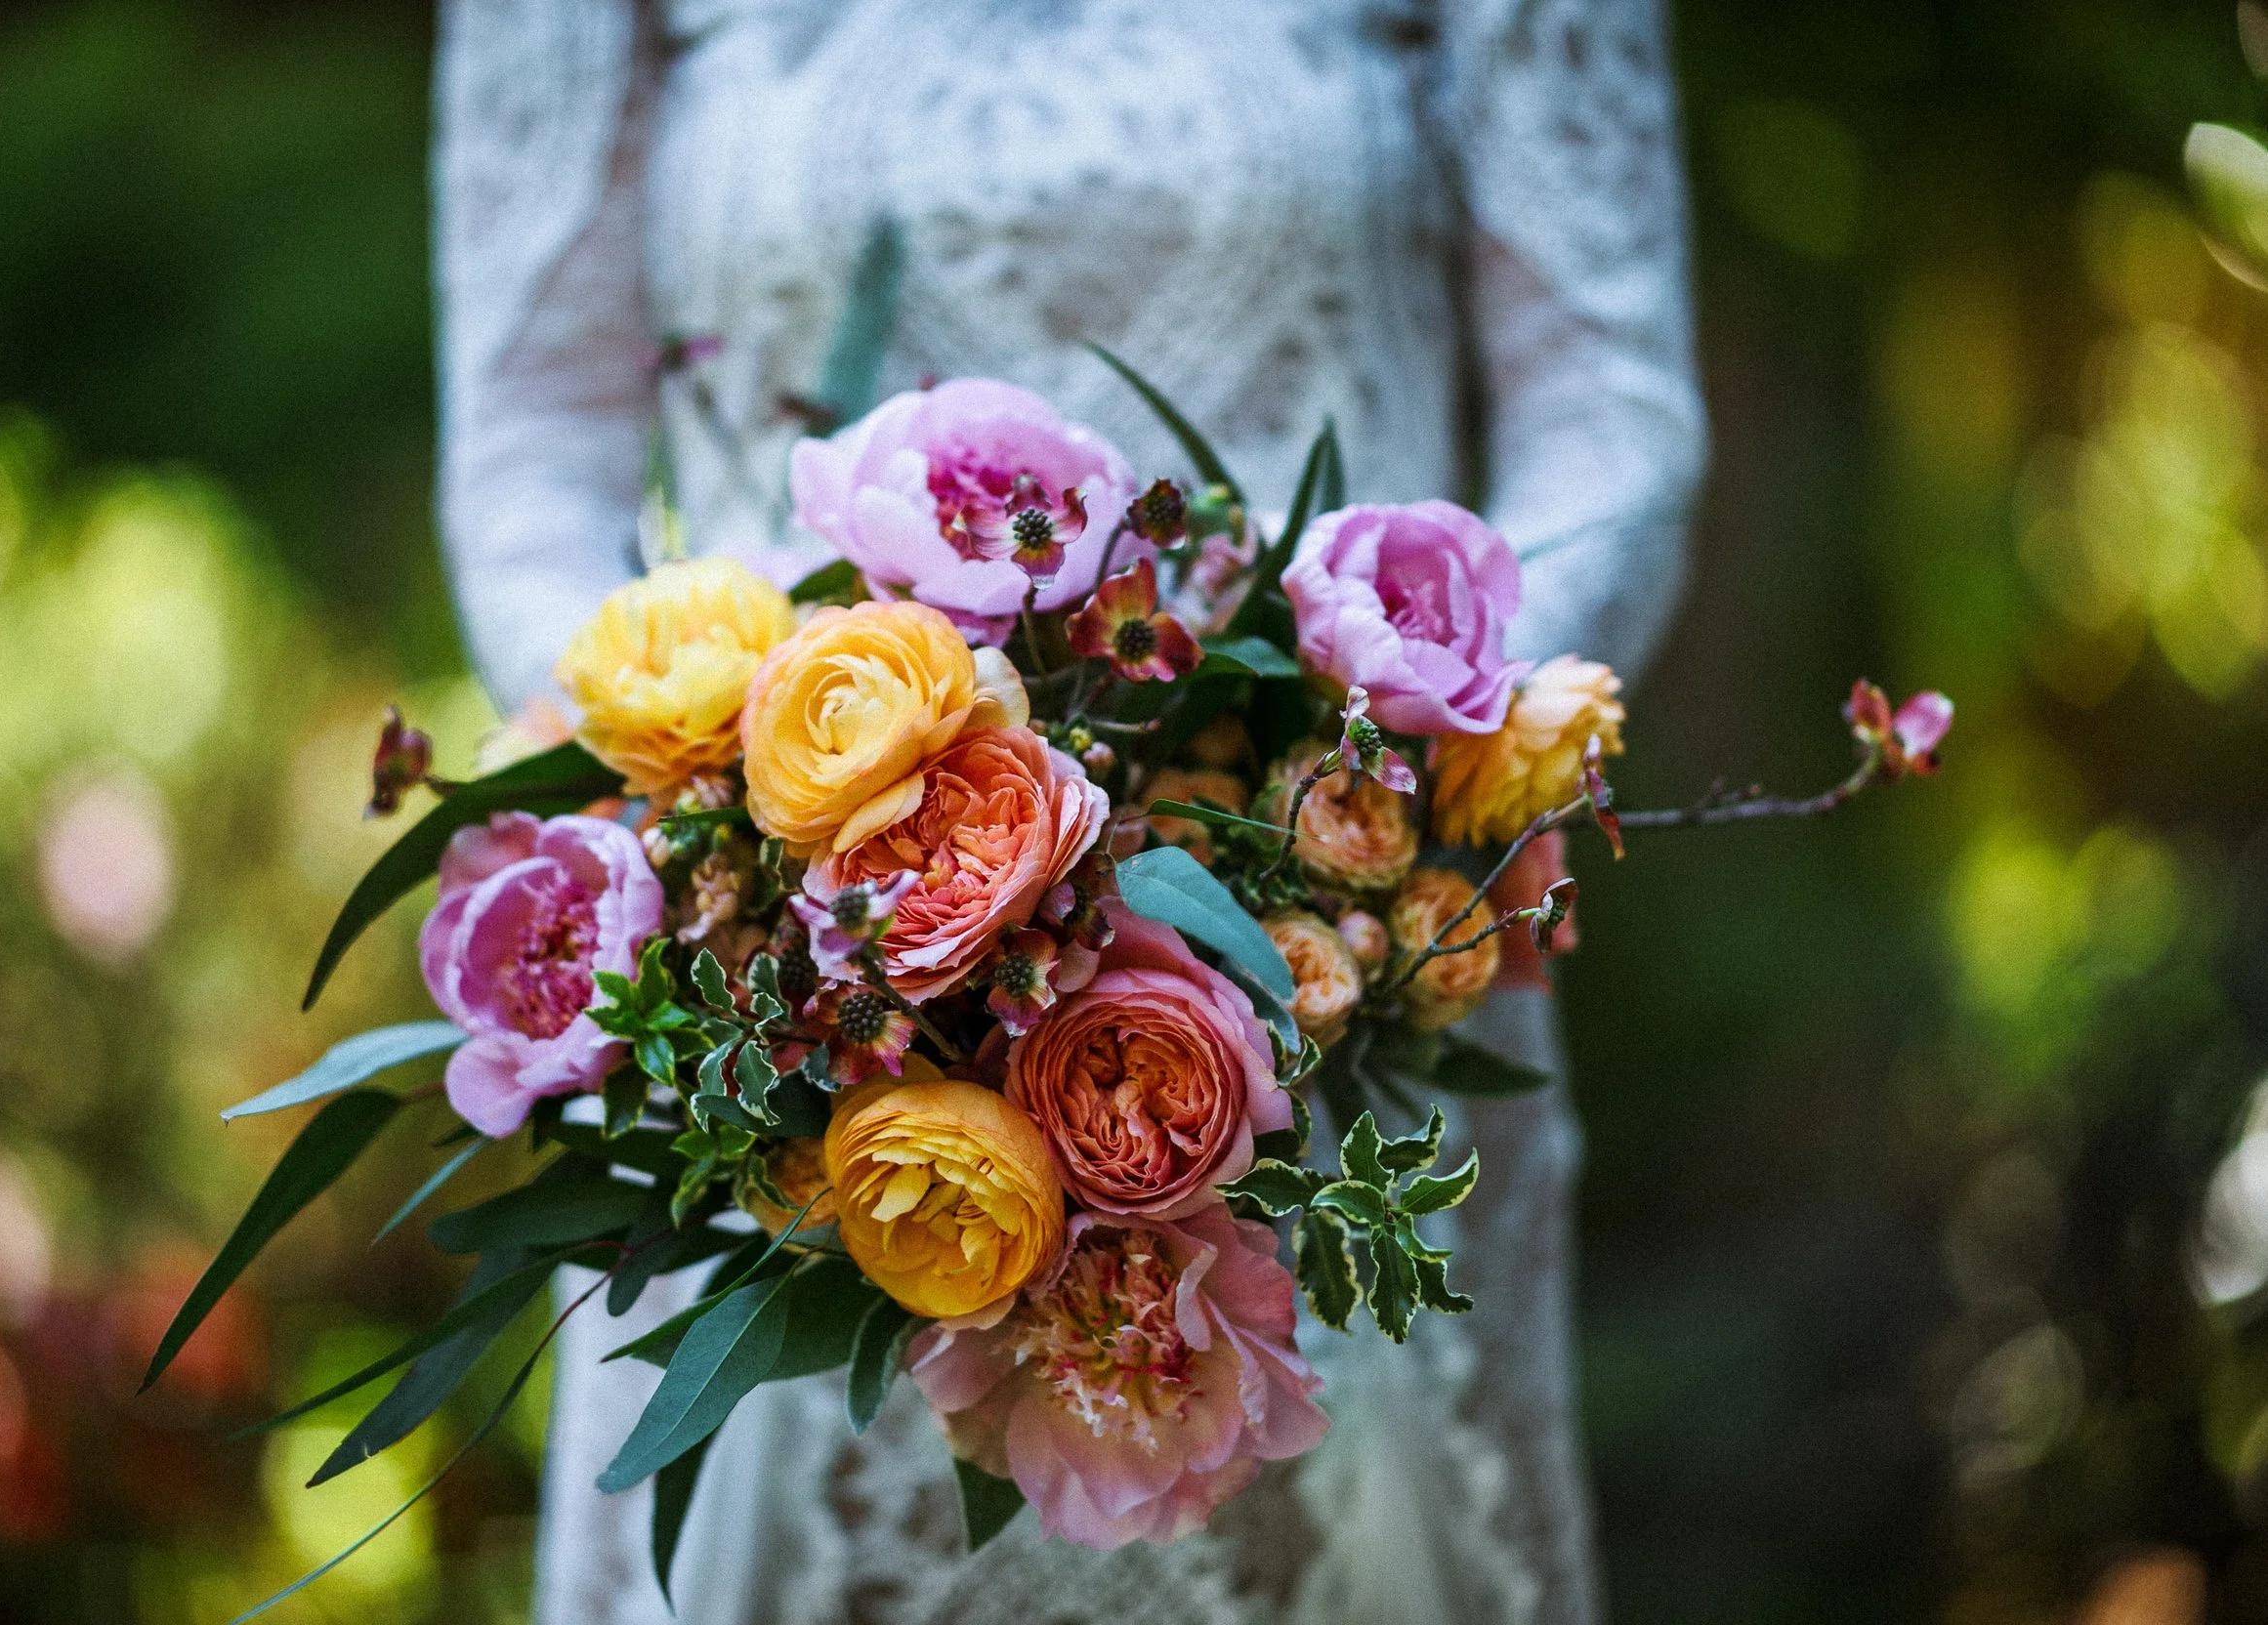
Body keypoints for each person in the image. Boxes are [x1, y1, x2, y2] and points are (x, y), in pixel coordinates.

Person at [433, 2, 1705, 1619]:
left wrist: (1402, 743)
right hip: (789, 1035)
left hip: (1348, 988)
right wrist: (729, 811)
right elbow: (528, 449)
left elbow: (1614, 407)